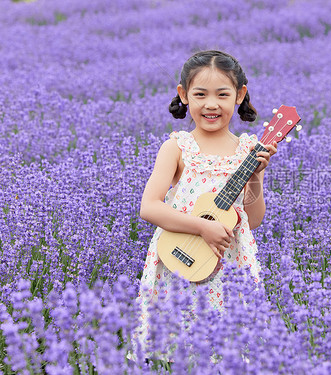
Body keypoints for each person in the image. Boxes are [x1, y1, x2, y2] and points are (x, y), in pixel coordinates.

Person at [128, 49, 277, 364]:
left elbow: (253, 219)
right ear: (184, 95)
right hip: (179, 260)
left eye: (222, 94)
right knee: (175, 342)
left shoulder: (248, 150)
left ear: (240, 95)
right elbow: (149, 207)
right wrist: (202, 226)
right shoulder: (177, 147)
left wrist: (257, 177)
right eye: (200, 94)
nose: (212, 104)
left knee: (229, 350)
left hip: (229, 263)